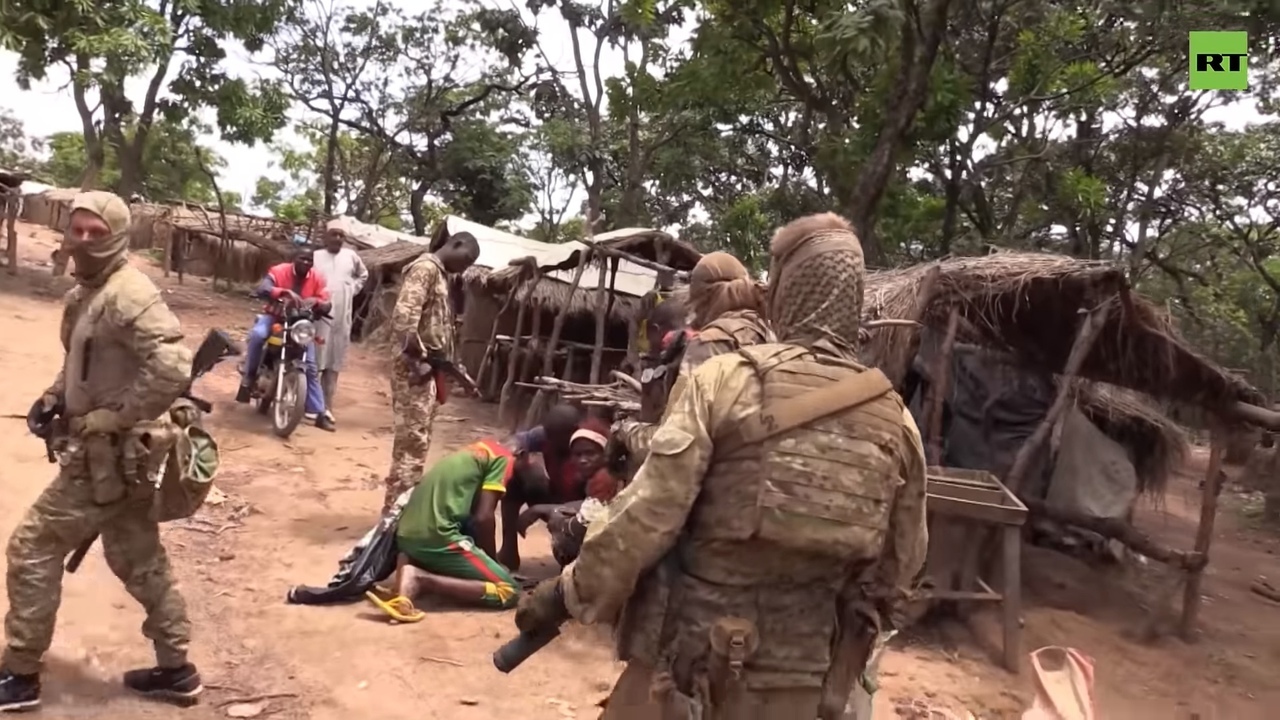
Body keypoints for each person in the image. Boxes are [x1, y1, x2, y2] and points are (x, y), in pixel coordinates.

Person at [513, 213, 929, 719]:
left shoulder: (724, 381)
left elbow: (647, 517)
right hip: (812, 678)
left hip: (699, 668)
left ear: (786, 287)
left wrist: (566, 593)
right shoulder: (896, 417)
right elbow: (901, 566)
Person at [0, 192, 204, 711]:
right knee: (138, 559)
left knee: (32, 549)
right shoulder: (88, 292)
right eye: (79, 230)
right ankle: (176, 669)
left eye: (98, 233)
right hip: (118, 457)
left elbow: (173, 367)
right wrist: (53, 396)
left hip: (107, 455)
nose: (85, 241)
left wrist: (116, 415)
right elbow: (83, 364)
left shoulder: (128, 293)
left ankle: (20, 674)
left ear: (120, 236)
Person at [616, 251, 771, 459]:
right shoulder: (770, 336)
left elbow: (672, 440)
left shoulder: (710, 344)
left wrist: (625, 431)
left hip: (725, 479)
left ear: (698, 297)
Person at [365, 438, 531, 621]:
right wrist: (493, 565)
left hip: (406, 538)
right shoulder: (504, 458)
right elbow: (483, 517)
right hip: (437, 535)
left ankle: (404, 589)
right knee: (509, 590)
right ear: (522, 455)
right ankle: (422, 581)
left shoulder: (476, 451)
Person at [383, 232, 481, 511]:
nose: (466, 266)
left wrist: (458, 374)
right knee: (411, 445)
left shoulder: (441, 276)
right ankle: (395, 514)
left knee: (417, 442)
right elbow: (404, 320)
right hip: (415, 371)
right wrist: (417, 364)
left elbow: (438, 334)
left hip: (428, 370)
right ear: (456, 244)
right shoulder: (425, 268)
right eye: (468, 258)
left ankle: (400, 509)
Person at [236, 247, 335, 432]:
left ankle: (320, 413)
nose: (306, 263)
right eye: (302, 258)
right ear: (293, 258)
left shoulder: (317, 278)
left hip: (300, 324)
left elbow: (326, 302)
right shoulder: (278, 271)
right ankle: (249, 377)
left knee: (311, 367)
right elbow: (263, 287)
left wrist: (318, 302)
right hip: (275, 318)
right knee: (258, 335)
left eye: (309, 260)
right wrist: (283, 292)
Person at [515, 423, 625, 568]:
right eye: (578, 455)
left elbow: (588, 518)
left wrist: (545, 510)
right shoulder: (595, 476)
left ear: (605, 455)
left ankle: (578, 570)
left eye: (590, 453)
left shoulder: (604, 479)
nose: (583, 460)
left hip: (614, 547)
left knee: (560, 520)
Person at [497, 404, 583, 571]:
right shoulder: (547, 436)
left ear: (574, 432)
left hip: (583, 515)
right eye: (548, 436)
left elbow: (596, 505)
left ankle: (576, 563)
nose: (549, 442)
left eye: (556, 438)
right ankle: (509, 552)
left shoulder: (588, 452)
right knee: (516, 476)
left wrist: (541, 509)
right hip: (557, 499)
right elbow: (518, 440)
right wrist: (513, 451)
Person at [313, 228, 369, 424]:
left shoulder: (351, 256)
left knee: (334, 362)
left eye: (341, 236)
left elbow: (363, 275)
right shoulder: (315, 256)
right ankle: (311, 405)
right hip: (319, 316)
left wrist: (351, 289)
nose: (337, 238)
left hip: (342, 317)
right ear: (325, 238)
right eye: (333, 235)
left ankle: (327, 407)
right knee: (316, 359)